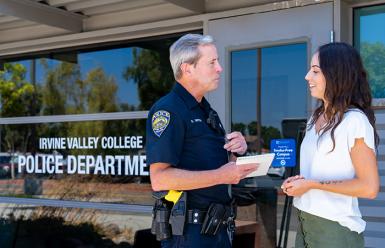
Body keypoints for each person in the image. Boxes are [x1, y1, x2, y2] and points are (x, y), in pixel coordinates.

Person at [146, 33, 258, 248]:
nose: (220, 68)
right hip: (189, 234)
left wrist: (237, 152)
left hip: (217, 229)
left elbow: (214, 165)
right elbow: (160, 179)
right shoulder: (168, 110)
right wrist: (220, 175)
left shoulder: (206, 110)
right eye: (212, 62)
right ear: (188, 68)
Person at [281, 42, 380, 248]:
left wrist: (311, 184)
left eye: (315, 71)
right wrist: (300, 182)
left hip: (335, 232)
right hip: (304, 223)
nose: (307, 76)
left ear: (336, 75)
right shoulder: (314, 119)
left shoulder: (354, 121)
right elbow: (317, 173)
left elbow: (369, 187)